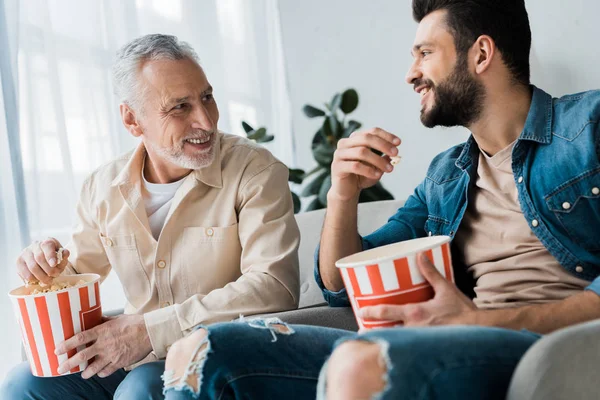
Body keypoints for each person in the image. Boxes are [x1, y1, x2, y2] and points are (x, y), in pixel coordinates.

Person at [160, 1, 600, 399]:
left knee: (359, 363)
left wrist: (485, 322)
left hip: (554, 347)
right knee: (200, 348)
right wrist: (343, 192)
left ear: (481, 55)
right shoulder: (447, 176)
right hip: (447, 339)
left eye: (425, 53)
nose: (411, 73)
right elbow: (341, 285)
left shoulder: (588, 126)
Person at [1, 34, 300, 400]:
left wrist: (148, 330)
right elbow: (74, 275)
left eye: (206, 97)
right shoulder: (102, 188)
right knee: (22, 384)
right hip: (136, 361)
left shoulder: (255, 171)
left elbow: (275, 286)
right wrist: (45, 267)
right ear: (132, 119)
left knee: (140, 389)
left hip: (219, 356)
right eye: (179, 107)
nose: (206, 121)